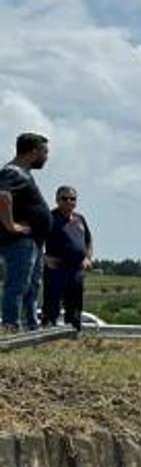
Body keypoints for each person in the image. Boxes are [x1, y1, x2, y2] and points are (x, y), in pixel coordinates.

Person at [0, 133, 52, 332]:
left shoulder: (23, 173)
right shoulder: (13, 172)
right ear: (33, 152)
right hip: (20, 241)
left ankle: (31, 327)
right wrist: (11, 225)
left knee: (31, 287)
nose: (46, 157)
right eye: (44, 152)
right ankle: (10, 326)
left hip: (33, 242)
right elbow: (3, 195)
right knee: (18, 284)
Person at [40, 185, 92, 330]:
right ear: (57, 200)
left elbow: (88, 240)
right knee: (51, 305)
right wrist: (44, 257)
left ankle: (73, 336)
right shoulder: (49, 218)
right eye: (64, 198)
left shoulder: (80, 219)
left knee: (75, 307)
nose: (69, 201)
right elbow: (35, 240)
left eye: (72, 199)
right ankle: (46, 335)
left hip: (76, 270)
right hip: (56, 269)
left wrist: (87, 257)